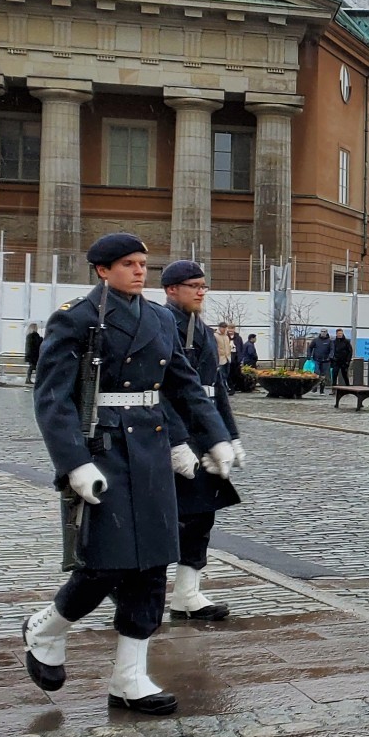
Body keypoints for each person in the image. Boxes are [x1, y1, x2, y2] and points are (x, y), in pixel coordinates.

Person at [23, 233, 232, 715]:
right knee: (106, 561)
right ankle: (48, 627)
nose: (139, 271)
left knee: (152, 563)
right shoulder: (75, 318)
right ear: (102, 270)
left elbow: (184, 386)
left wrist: (216, 435)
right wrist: (73, 463)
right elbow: (52, 400)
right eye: (128, 264)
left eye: (143, 264)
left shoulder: (159, 317)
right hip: (105, 446)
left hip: (151, 444)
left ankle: (130, 676)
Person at [160, 260, 244, 623]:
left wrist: (229, 436)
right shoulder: (161, 326)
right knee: (167, 520)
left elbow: (215, 390)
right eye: (193, 285)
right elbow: (160, 390)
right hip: (169, 431)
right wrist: (176, 442)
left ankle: (187, 594)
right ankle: (129, 590)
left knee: (200, 518)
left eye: (203, 285)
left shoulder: (205, 331)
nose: (200, 292)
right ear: (170, 289)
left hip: (204, 432)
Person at [24, 321, 44, 386]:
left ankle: (28, 379)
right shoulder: (35, 336)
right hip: (34, 354)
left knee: (32, 367)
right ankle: (34, 379)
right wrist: (41, 339)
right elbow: (37, 344)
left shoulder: (29, 336)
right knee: (35, 367)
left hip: (30, 354)